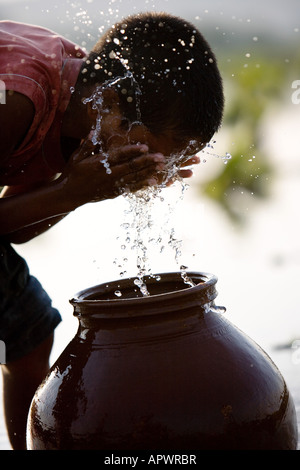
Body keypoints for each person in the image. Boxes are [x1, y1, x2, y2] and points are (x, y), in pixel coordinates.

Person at [0, 11, 224, 449]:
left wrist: (83, 190)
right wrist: (70, 191)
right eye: (151, 154)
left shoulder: (80, 115)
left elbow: (12, 226)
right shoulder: (17, 100)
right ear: (113, 104)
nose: (153, 170)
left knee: (28, 327)